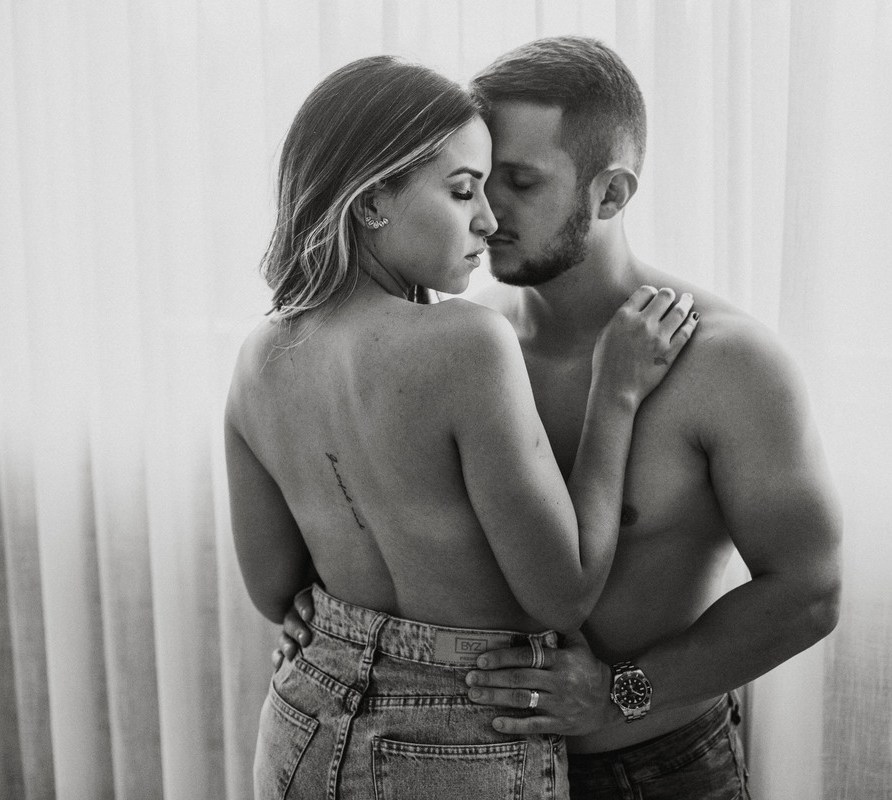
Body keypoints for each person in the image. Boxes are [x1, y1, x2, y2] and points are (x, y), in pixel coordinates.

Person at [275, 37, 843, 799]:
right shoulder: (459, 345)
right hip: (462, 772)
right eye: (474, 181)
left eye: (519, 182)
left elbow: (808, 592)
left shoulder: (726, 363)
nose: (486, 214)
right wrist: (318, 620)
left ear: (609, 195)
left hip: (651, 772)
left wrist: (618, 692)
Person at [226, 55, 699, 800]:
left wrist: (347, 627)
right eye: (462, 190)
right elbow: (564, 594)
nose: (489, 219)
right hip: (460, 736)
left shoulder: (259, 356)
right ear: (372, 201)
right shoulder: (468, 342)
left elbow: (274, 590)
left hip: (304, 717)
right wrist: (616, 391)